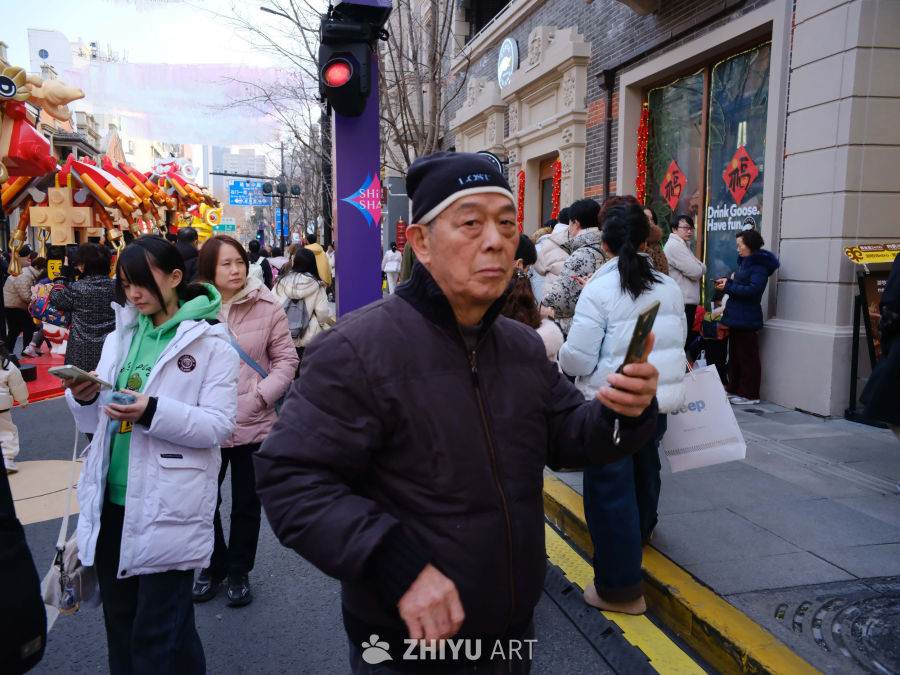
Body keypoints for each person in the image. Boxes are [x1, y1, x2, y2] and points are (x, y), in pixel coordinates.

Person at [253, 151, 659, 674]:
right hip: (409, 645)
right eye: (470, 223)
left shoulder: (519, 346)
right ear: (420, 243)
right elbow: (291, 479)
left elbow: (570, 437)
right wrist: (394, 563)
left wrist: (621, 412)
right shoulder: (356, 349)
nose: (495, 240)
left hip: (511, 636)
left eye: (507, 224)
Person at [62, 235, 239, 674]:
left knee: (156, 634)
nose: (134, 293)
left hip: (169, 506)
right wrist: (85, 397)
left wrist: (151, 411)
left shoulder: (211, 342)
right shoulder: (120, 337)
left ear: (176, 277)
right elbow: (95, 422)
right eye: (125, 284)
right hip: (110, 504)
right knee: (122, 626)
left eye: (142, 282)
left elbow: (218, 424)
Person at [558, 202, 686, 615]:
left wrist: (562, 358)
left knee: (609, 492)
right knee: (646, 470)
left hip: (610, 404)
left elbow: (576, 359)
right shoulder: (666, 285)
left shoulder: (598, 288)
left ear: (605, 242)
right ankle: (641, 535)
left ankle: (619, 590)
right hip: (656, 401)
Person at [192, 235, 297, 607]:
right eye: (226, 264)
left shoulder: (267, 304)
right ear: (209, 269)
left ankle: (238, 571)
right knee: (202, 501)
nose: (235, 269)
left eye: (239, 261)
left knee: (246, 504)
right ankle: (212, 564)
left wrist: (260, 396)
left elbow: (286, 360)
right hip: (205, 424)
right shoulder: (191, 308)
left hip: (254, 421)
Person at [715, 229, 780, 405]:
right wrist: (728, 283)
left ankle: (750, 394)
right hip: (738, 316)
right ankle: (735, 389)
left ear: (750, 245)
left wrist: (729, 287)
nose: (737, 249)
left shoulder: (758, 266)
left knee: (747, 358)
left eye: (740, 245)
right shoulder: (746, 263)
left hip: (746, 317)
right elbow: (743, 285)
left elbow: (753, 290)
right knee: (735, 356)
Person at [542, 198, 611, 336]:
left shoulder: (581, 254)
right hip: (603, 325)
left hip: (578, 329)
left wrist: (545, 303)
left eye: (570, 223)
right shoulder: (609, 248)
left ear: (576, 223)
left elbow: (559, 302)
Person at [48, 242, 117, 372]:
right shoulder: (117, 287)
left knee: (80, 387)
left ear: (83, 266)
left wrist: (63, 276)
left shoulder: (77, 288)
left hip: (81, 350)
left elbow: (56, 297)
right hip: (111, 348)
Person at [502, 234, 563, 361]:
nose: (526, 276)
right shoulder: (514, 297)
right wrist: (548, 322)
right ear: (519, 264)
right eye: (527, 271)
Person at [272, 248, 331, 371]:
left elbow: (272, 307)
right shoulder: (317, 285)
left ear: (295, 262)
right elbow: (322, 314)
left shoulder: (281, 282)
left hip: (284, 336)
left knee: (286, 374)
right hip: (309, 338)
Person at [664, 214, 706, 351]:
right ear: (674, 229)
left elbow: (700, 267)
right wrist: (700, 267)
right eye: (685, 228)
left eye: (691, 228)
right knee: (681, 343)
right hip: (682, 301)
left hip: (686, 301)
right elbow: (696, 270)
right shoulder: (675, 246)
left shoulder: (683, 245)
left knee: (684, 342)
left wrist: (700, 267)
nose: (689, 231)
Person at [4, 257, 45, 356]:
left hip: (12, 304)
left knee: (14, 330)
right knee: (28, 326)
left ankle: (9, 353)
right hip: (14, 305)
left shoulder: (29, 274)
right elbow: (26, 297)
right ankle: (26, 349)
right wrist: (36, 296)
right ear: (37, 267)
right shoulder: (25, 276)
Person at [0, 344, 29, 474]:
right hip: (1, 406)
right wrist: (23, 400)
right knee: (6, 432)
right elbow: (17, 384)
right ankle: (7, 459)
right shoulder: (6, 364)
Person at [643, 207, 669, 275]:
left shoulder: (656, 244)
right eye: (646, 218)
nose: (649, 222)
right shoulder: (634, 244)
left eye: (651, 219)